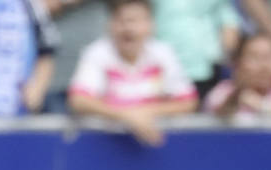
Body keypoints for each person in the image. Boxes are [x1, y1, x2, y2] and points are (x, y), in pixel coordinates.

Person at [67, 0, 197, 147]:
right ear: (110, 24)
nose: (128, 28)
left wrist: (143, 113)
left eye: (135, 21)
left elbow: (188, 102)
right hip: (103, 150)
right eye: (121, 20)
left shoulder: (163, 53)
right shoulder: (96, 53)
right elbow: (78, 100)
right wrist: (128, 116)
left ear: (150, 25)